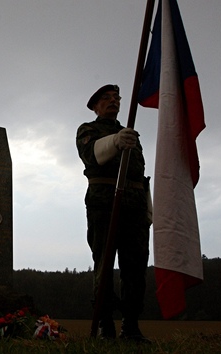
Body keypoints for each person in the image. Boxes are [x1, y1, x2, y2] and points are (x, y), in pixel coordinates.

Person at [76, 84, 151, 341]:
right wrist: (115, 142)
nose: (113, 101)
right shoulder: (89, 129)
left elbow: (139, 175)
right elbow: (91, 155)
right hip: (104, 204)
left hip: (135, 206)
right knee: (105, 264)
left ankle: (131, 325)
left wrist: (147, 207)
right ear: (95, 106)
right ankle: (104, 324)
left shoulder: (131, 134)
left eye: (117, 98)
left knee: (135, 267)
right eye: (106, 98)